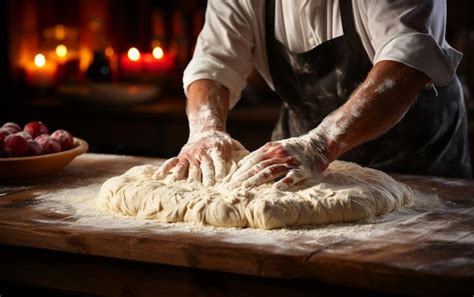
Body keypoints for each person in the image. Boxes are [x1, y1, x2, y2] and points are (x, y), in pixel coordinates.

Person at [154, 0, 472, 189]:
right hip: (300, 156)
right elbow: (213, 64)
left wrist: (321, 144)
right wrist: (205, 130)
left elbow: (407, 61)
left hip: (418, 162)